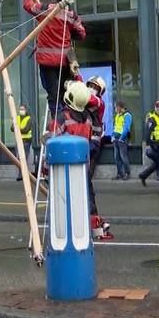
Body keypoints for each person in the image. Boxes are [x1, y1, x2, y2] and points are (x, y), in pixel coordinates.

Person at [22, 0, 86, 119]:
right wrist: (70, 31)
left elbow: (28, 5)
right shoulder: (72, 15)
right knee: (64, 93)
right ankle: (67, 120)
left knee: (52, 94)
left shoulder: (46, 9)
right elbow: (81, 34)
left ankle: (57, 121)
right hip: (64, 61)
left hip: (46, 61)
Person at [50, 81, 99, 218]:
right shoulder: (88, 117)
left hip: (65, 168)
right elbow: (94, 136)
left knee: (67, 204)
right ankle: (92, 225)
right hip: (84, 165)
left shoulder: (62, 117)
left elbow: (52, 142)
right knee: (87, 198)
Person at [138, 101, 159, 187]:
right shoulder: (152, 118)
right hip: (156, 145)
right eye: (158, 107)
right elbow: (148, 134)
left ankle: (143, 175)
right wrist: (152, 144)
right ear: (156, 108)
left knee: (158, 164)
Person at [84, 75, 107, 180]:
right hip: (86, 139)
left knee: (86, 175)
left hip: (93, 141)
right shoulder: (85, 100)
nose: (91, 89)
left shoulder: (99, 103)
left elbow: (90, 99)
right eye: (90, 86)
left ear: (99, 91)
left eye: (95, 87)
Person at [112, 101, 132, 180]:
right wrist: (112, 135)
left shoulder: (127, 115)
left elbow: (126, 128)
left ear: (119, 107)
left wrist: (121, 138)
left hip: (122, 138)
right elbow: (115, 126)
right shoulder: (118, 115)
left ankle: (127, 173)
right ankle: (120, 173)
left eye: (116, 107)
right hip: (116, 137)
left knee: (123, 156)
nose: (115, 109)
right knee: (117, 157)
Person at [15, 104, 34, 181]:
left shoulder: (29, 119)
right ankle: (21, 174)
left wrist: (17, 128)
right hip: (18, 140)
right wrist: (19, 128)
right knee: (18, 157)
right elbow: (12, 128)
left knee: (24, 158)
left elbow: (26, 130)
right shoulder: (17, 117)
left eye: (22, 109)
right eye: (20, 109)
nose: (21, 111)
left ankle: (23, 175)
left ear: (26, 110)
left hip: (26, 140)